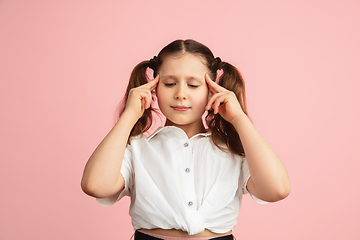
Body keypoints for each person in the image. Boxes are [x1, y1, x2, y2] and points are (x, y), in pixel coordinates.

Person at [81, 39, 291, 240]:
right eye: (170, 83)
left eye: (193, 85)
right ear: (154, 89)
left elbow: (277, 190)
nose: (181, 94)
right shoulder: (137, 149)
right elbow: (95, 185)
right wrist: (129, 116)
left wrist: (239, 119)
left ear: (212, 91)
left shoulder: (233, 151)